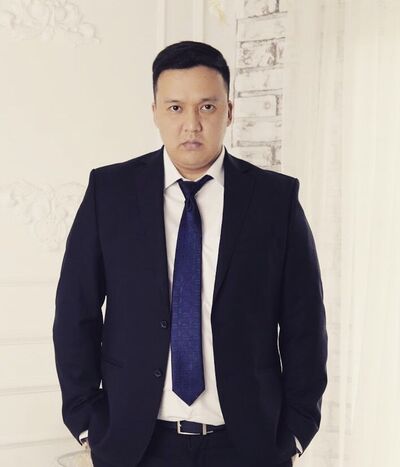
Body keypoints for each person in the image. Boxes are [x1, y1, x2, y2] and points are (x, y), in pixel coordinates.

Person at [53, 40, 328, 467]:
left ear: (229, 112)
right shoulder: (110, 193)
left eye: (207, 107)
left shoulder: (275, 200)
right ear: (155, 112)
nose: (192, 125)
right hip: (136, 444)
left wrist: (295, 430)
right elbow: (76, 311)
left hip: (248, 445)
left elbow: (305, 323)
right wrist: (88, 421)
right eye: (176, 108)